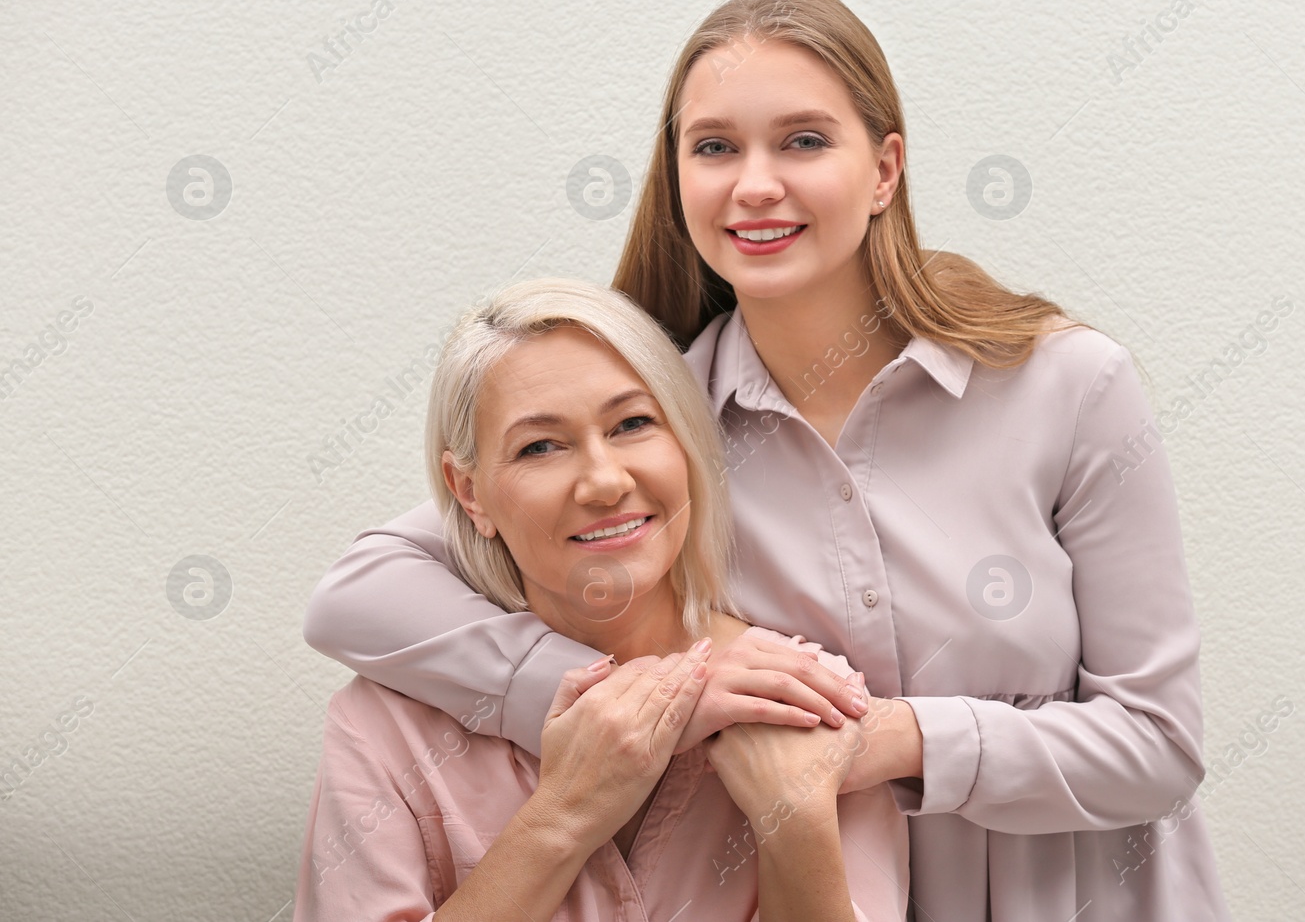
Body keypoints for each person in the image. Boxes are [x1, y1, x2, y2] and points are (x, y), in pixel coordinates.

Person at [304, 0, 1233, 920]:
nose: (754, 182)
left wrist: (893, 738)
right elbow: (356, 594)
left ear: (884, 169)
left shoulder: (1069, 387)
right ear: (677, 179)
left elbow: (1159, 744)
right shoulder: (657, 437)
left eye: (803, 140)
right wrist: (614, 704)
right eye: (715, 147)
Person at [294, 278, 909, 921]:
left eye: (634, 423)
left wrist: (798, 824)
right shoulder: (381, 729)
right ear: (470, 494)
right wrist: (565, 815)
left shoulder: (809, 698)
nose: (605, 481)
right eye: (540, 446)